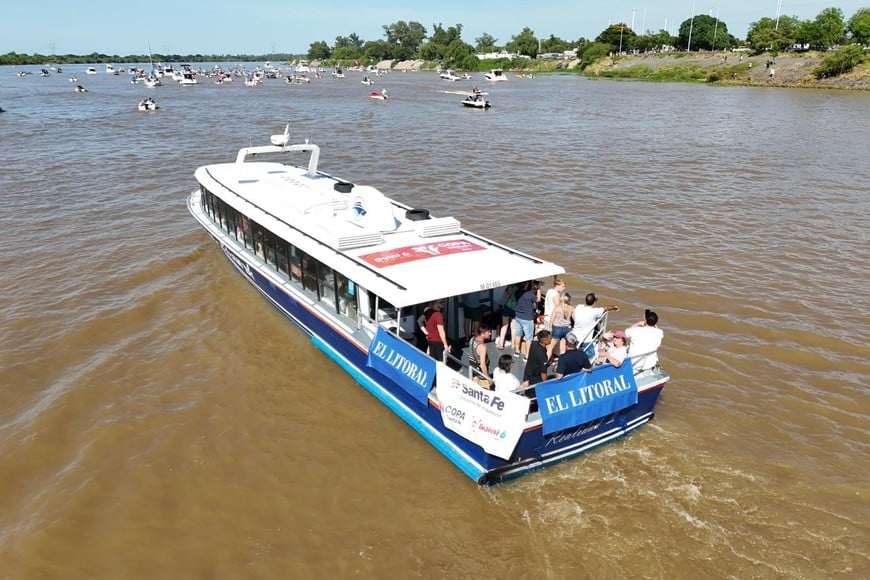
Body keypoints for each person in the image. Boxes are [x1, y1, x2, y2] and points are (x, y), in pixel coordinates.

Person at [572, 292, 619, 357]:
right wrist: (614, 307)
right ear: (594, 302)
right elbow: (606, 308)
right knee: (592, 355)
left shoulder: (578, 307)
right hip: (586, 340)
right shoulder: (595, 311)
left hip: (574, 336)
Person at [513, 280, 541, 357]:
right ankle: (527, 355)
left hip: (518, 316)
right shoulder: (530, 295)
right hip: (527, 318)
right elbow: (538, 299)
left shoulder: (517, 292)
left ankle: (517, 351)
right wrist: (538, 289)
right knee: (529, 338)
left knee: (518, 334)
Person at [549, 291, 573, 360]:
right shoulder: (571, 308)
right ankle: (562, 363)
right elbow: (574, 318)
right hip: (567, 329)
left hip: (557, 328)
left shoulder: (557, 307)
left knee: (551, 347)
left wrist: (550, 329)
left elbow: (552, 319)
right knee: (563, 349)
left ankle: (545, 362)